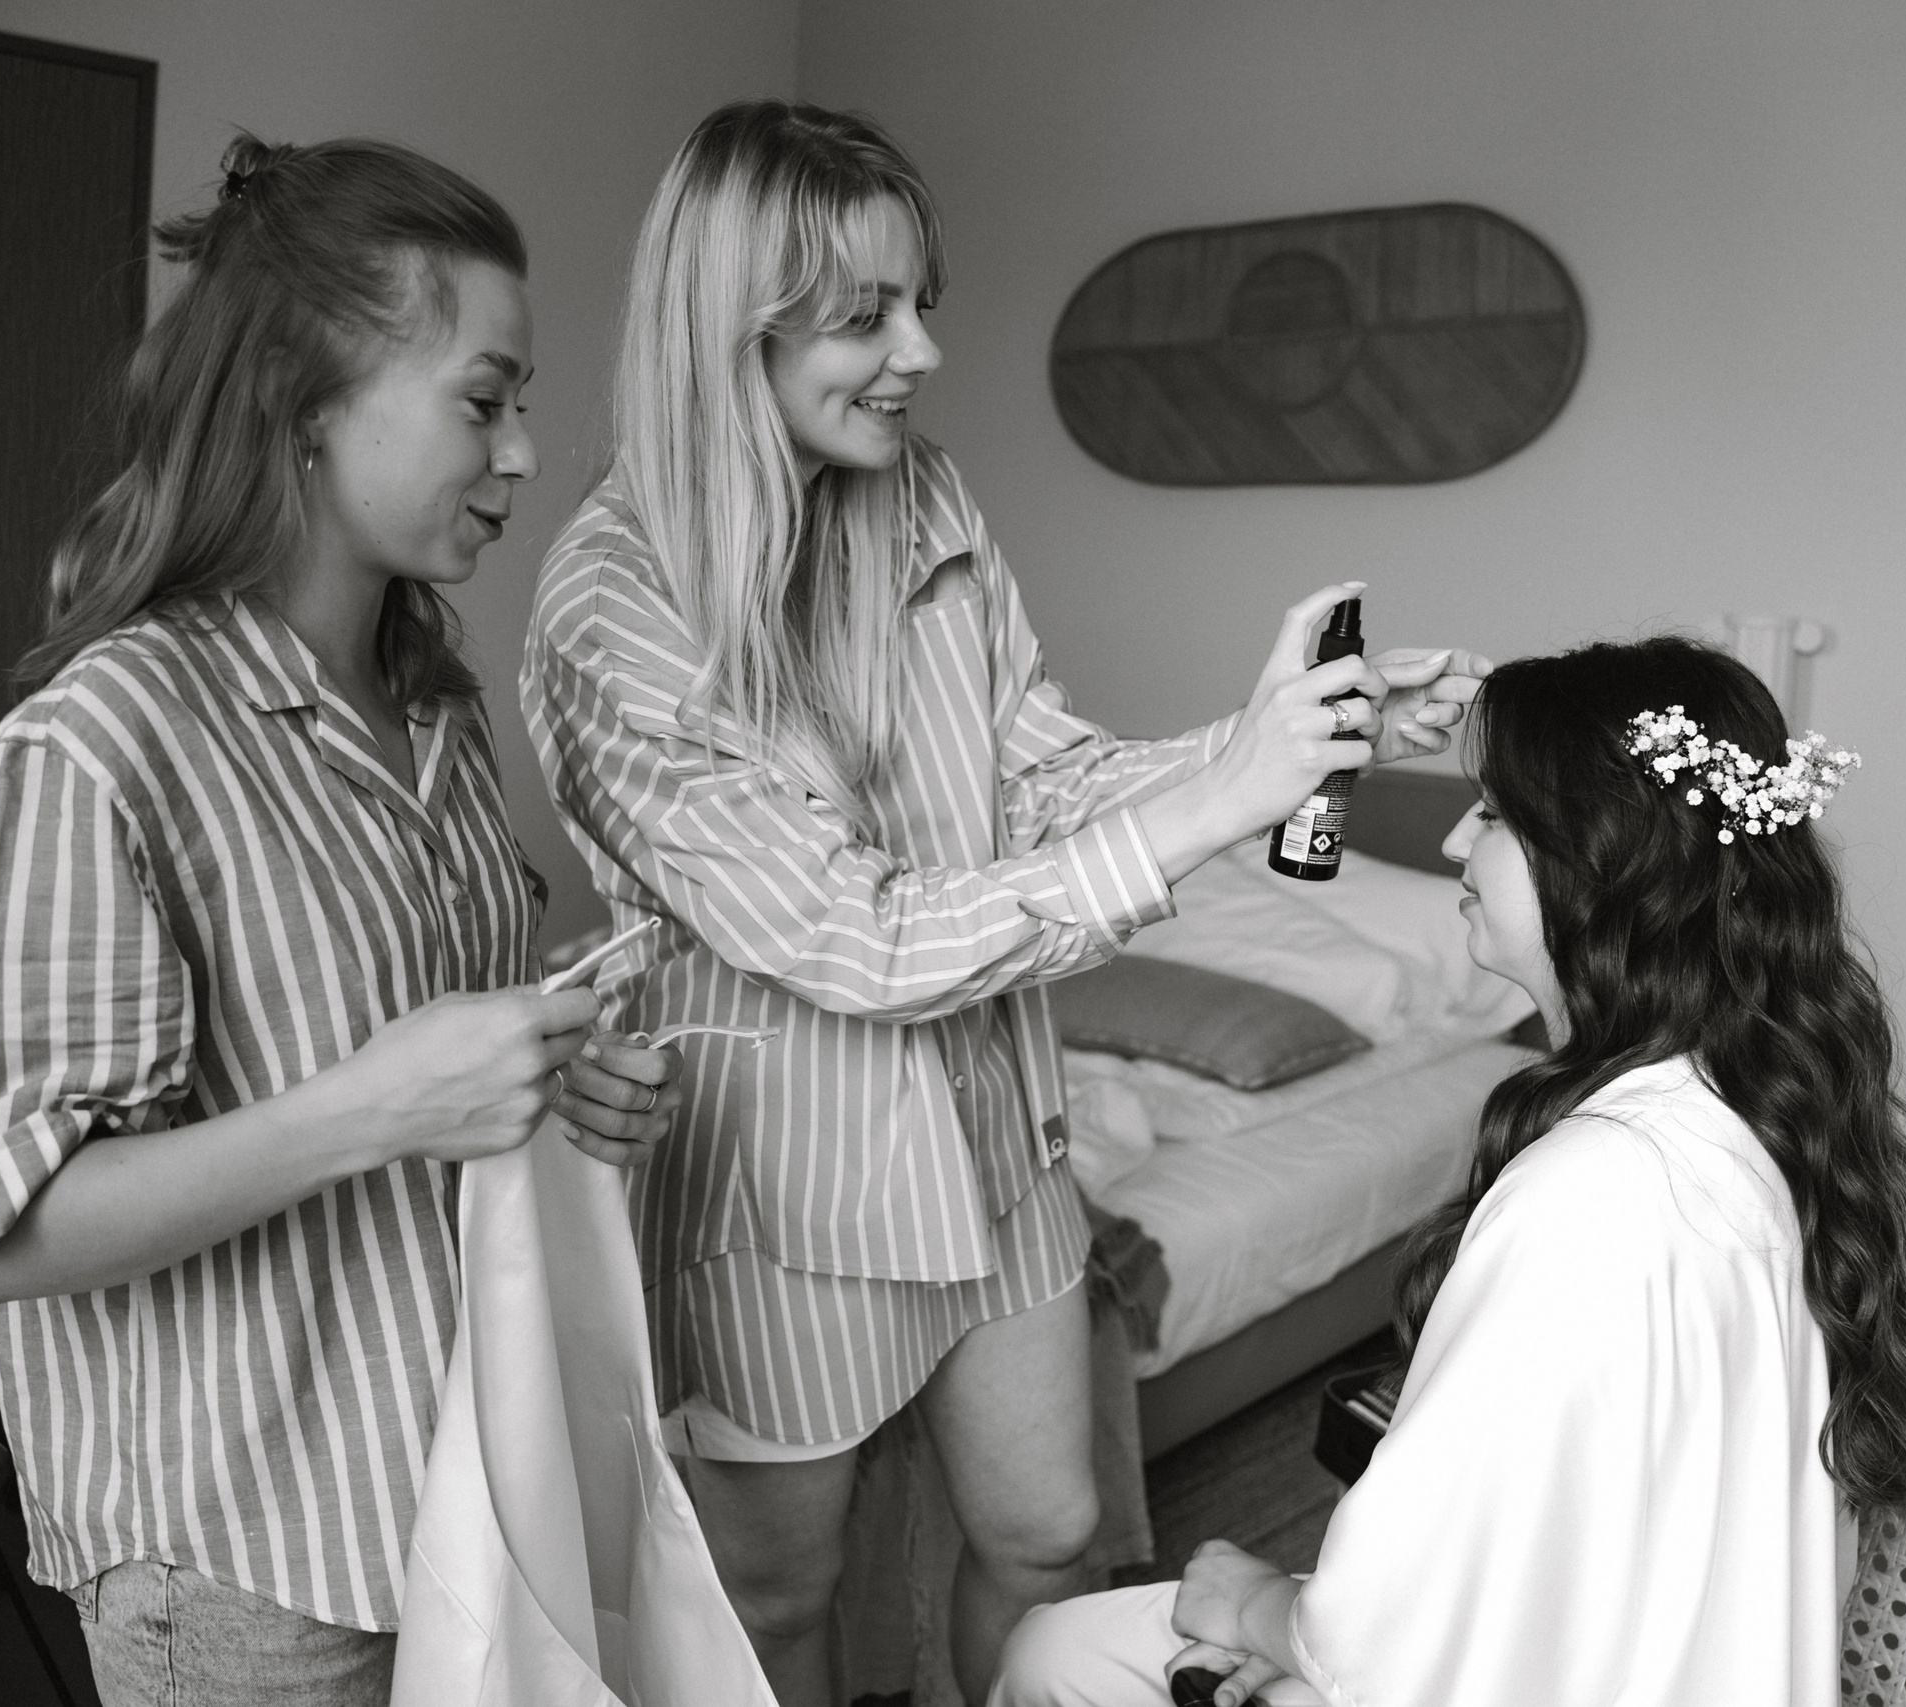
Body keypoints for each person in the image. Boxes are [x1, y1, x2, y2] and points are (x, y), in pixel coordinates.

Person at [523, 99, 1486, 1707]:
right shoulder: (616, 607)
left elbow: (1040, 774)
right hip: (785, 1182)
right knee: (780, 1592)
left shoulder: (922, 495)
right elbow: (852, 933)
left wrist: (1279, 745)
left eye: (922, 303)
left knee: (1049, 1533)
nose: (920, 352)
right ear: (729, 327)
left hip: (996, 1125)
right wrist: (1218, 800)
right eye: (862, 315)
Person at [0, 134, 682, 1705]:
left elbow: (424, 1054)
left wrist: (546, 1077)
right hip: (251, 1566)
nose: (524, 453)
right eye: (486, 397)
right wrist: (375, 1103)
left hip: (464, 1490)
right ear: (305, 403)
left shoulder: (434, 709)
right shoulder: (99, 750)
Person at [992, 635, 1906, 1707]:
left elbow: (1383, 1641)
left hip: (1546, 1666)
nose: (1454, 840)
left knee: (1053, 1650)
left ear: (1601, 856)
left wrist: (1251, 1602)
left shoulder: (1590, 1191)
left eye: (1492, 814)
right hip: (1657, 1645)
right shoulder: (1762, 1109)